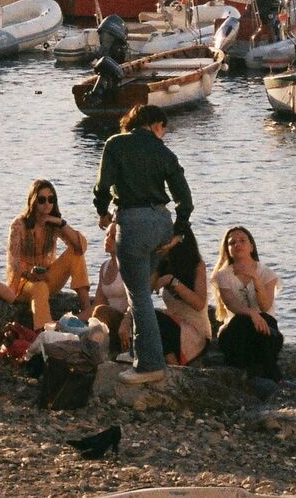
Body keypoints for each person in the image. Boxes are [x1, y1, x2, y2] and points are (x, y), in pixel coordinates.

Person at [92, 103, 193, 384]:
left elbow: (103, 186)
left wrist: (102, 211)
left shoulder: (116, 144)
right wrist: (178, 231)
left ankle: (149, 364)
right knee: (143, 294)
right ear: (155, 124)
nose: (164, 135)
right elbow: (185, 200)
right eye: (164, 129)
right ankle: (144, 353)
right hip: (161, 222)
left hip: (134, 223)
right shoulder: (164, 152)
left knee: (138, 296)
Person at [6, 180, 92, 327]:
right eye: (42, 200)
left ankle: (87, 311)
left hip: (47, 277)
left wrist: (60, 223)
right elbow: (13, 263)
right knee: (39, 287)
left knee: (75, 253)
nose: (47, 203)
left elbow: (81, 247)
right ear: (33, 201)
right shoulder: (19, 225)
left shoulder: (53, 224)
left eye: (51, 199)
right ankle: (44, 331)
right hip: (23, 283)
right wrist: (30, 275)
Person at [212, 226, 283, 380]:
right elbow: (231, 305)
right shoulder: (223, 275)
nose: (237, 244)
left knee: (264, 327)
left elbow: (265, 306)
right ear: (227, 249)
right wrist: (252, 314)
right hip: (236, 331)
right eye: (232, 243)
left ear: (251, 246)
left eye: (242, 240)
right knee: (242, 320)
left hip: (264, 328)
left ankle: (271, 379)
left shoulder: (267, 274)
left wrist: (255, 279)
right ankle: (260, 374)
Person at [152, 228, 211, 366]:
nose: (159, 243)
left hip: (195, 332)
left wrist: (171, 281)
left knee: (155, 317)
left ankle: (173, 366)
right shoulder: (162, 266)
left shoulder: (197, 266)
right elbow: (143, 292)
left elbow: (199, 304)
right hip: (173, 327)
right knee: (146, 316)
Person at [89, 224, 130, 351]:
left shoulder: (129, 267)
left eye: (113, 236)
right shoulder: (105, 267)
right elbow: (96, 305)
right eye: (107, 235)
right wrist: (71, 319)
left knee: (101, 311)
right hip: (108, 322)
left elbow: (136, 301)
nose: (107, 239)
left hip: (125, 322)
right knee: (98, 313)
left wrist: (126, 322)